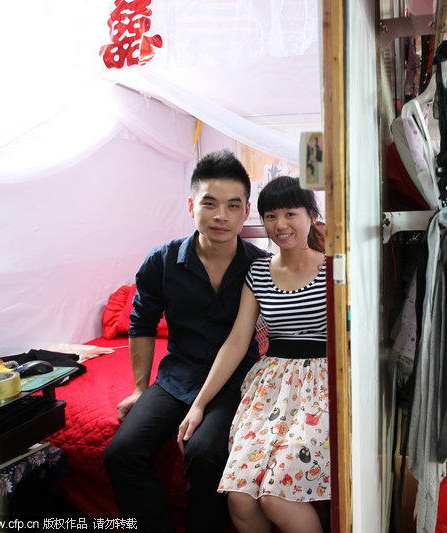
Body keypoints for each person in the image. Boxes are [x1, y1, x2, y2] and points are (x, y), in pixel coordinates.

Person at [104, 150, 268, 532]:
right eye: (209, 204)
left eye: (232, 206)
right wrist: (140, 388)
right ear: (192, 206)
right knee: (121, 452)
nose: (220, 216)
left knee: (206, 451)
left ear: (246, 212)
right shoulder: (161, 262)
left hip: (235, 382)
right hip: (177, 376)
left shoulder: (260, 266)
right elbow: (141, 323)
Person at [178, 176, 330, 533]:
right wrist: (199, 404)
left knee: (277, 496)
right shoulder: (258, 271)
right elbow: (236, 342)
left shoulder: (333, 268)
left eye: (290, 214)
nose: (280, 225)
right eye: (270, 216)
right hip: (270, 387)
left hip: (321, 384)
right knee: (240, 496)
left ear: (311, 216)